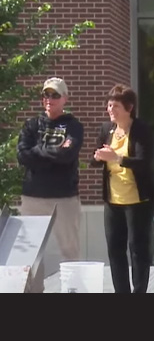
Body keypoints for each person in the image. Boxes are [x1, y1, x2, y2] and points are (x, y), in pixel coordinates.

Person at [16, 77, 83, 293]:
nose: (49, 99)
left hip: (64, 198)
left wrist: (39, 154)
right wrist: (53, 153)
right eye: (46, 94)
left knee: (70, 251)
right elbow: (23, 155)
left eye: (55, 95)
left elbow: (68, 154)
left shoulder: (73, 126)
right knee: (31, 253)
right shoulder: (31, 125)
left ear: (65, 98)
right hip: (32, 197)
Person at [91, 84, 154, 293]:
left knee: (137, 250)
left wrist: (117, 158)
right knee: (115, 249)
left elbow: (143, 162)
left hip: (138, 200)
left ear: (129, 108)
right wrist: (98, 158)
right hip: (113, 200)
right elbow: (96, 158)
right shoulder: (106, 129)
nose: (110, 110)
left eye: (115, 106)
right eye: (109, 106)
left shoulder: (141, 130)